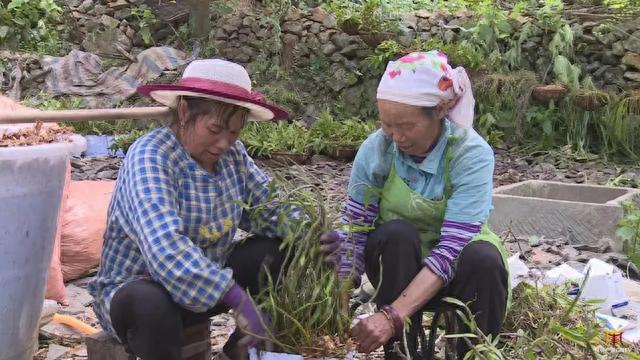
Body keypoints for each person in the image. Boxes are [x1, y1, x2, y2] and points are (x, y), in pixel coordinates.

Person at [88, 59, 299, 360]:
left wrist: (317, 234)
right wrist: (238, 299)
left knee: (284, 252)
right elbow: (166, 250)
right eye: (214, 129)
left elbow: (270, 207)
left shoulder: (233, 157)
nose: (224, 143)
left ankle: (240, 352)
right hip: (141, 290)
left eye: (234, 133)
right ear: (185, 111)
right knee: (150, 303)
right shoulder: (151, 156)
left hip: (206, 285)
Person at [320, 50, 510, 359]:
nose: (396, 137)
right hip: (397, 267)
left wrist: (392, 316)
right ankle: (402, 352)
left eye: (406, 126)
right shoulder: (377, 149)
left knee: (484, 258)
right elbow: (356, 228)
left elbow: (451, 250)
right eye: (386, 125)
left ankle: (471, 353)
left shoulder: (470, 153)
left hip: (456, 269)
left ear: (439, 110)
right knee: (396, 233)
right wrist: (338, 292)